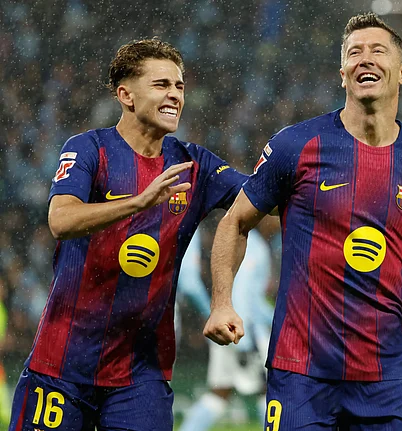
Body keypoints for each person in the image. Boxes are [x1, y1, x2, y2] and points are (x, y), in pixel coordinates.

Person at [204, 13, 402, 431]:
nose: (365, 59)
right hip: (301, 372)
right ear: (343, 73)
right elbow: (235, 222)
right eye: (355, 53)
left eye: (378, 51)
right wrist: (222, 302)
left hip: (387, 377)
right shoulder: (297, 145)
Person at [8, 38, 248, 431]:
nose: (174, 95)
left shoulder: (194, 164)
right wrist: (139, 202)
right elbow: (61, 219)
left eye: (179, 86)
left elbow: (259, 201)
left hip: (142, 374)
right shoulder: (90, 149)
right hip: (62, 365)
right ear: (126, 95)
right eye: (161, 85)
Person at [178, 228, 274, 431]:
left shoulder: (220, 233)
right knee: (267, 391)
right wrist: (245, 341)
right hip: (242, 332)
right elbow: (242, 293)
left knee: (219, 393)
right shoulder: (248, 239)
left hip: (225, 326)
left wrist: (213, 317)